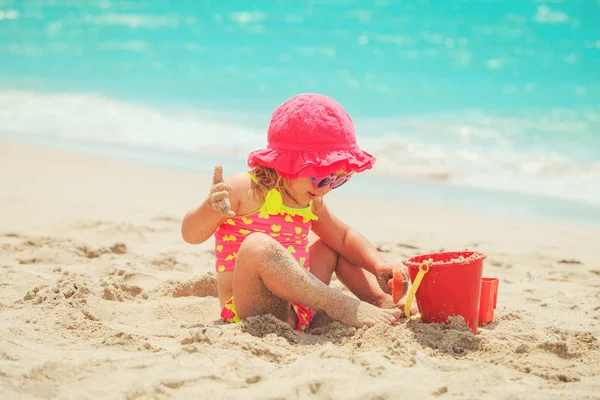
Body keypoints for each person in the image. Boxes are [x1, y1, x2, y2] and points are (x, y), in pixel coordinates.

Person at [181, 93, 410, 332]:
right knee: (258, 245)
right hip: (254, 308)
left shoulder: (311, 200)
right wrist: (210, 208)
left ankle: (376, 299)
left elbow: (343, 237)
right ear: (287, 163)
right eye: (323, 178)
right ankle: (341, 305)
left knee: (332, 244)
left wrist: (379, 265)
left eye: (338, 180)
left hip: (302, 308)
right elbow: (190, 235)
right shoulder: (243, 189)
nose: (328, 188)